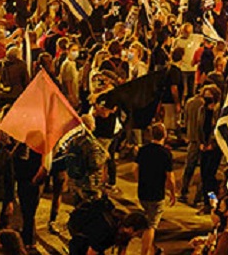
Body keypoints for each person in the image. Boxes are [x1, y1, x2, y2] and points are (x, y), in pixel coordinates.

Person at [134, 123, 176, 255]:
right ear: (164, 135)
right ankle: (144, 252)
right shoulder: (166, 153)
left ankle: (153, 249)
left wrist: (140, 180)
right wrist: (173, 193)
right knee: (151, 226)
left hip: (142, 192)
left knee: (147, 220)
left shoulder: (143, 150)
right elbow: (170, 177)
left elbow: (134, 169)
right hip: (157, 194)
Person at [64, 114, 107, 204]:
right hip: (89, 182)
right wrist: (104, 157)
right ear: (91, 126)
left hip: (75, 180)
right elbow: (95, 163)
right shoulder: (91, 143)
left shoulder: (74, 140)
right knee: (89, 206)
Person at [68, 207, 149, 255]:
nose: (140, 236)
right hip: (79, 239)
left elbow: (122, 249)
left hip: (93, 239)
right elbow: (91, 252)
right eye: (139, 233)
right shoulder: (107, 232)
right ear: (131, 229)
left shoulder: (124, 230)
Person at [11, 141, 45, 250]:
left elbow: (45, 165)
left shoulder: (40, 146)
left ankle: (29, 239)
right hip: (22, 180)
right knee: (25, 210)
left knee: (30, 211)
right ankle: (27, 234)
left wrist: (36, 180)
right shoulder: (21, 145)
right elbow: (12, 158)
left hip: (32, 181)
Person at [180, 87, 205, 206]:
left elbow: (185, 120)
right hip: (203, 143)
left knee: (189, 168)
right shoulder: (205, 106)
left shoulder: (189, 103)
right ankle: (199, 197)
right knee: (205, 171)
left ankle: (183, 191)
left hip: (192, 140)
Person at [160, 47, 184, 138]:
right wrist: (177, 103)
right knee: (170, 124)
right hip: (171, 101)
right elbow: (174, 88)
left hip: (165, 99)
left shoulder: (168, 69)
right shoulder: (175, 71)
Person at [59, 42, 81, 108]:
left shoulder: (73, 63)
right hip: (71, 96)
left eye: (77, 50)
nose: (75, 52)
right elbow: (68, 82)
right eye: (73, 50)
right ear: (68, 51)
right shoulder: (67, 64)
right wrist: (71, 96)